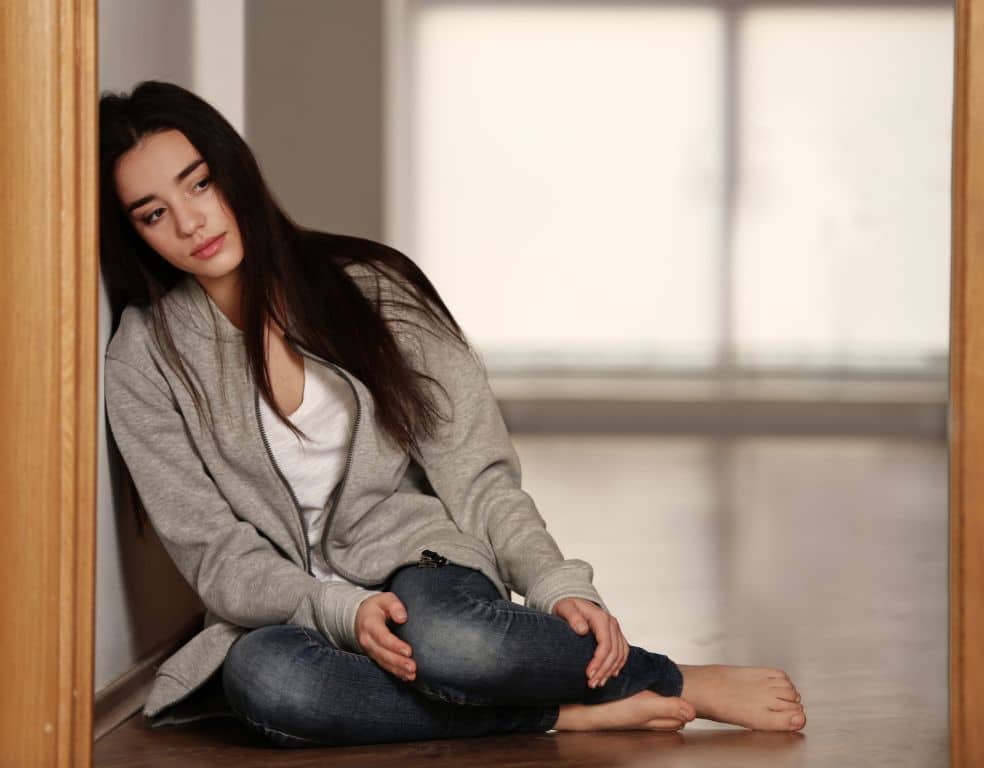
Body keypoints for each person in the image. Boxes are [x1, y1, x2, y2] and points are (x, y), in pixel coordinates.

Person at [99, 80, 806, 749]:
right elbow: (214, 551)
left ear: (235, 172)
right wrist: (334, 607)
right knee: (269, 683)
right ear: (136, 235)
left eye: (200, 182)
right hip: (289, 608)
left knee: (459, 643)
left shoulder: (372, 288)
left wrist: (555, 580)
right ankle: (555, 714)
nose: (190, 222)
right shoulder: (143, 358)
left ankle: (669, 677)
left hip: (420, 567)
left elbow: (477, 473)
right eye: (154, 213)